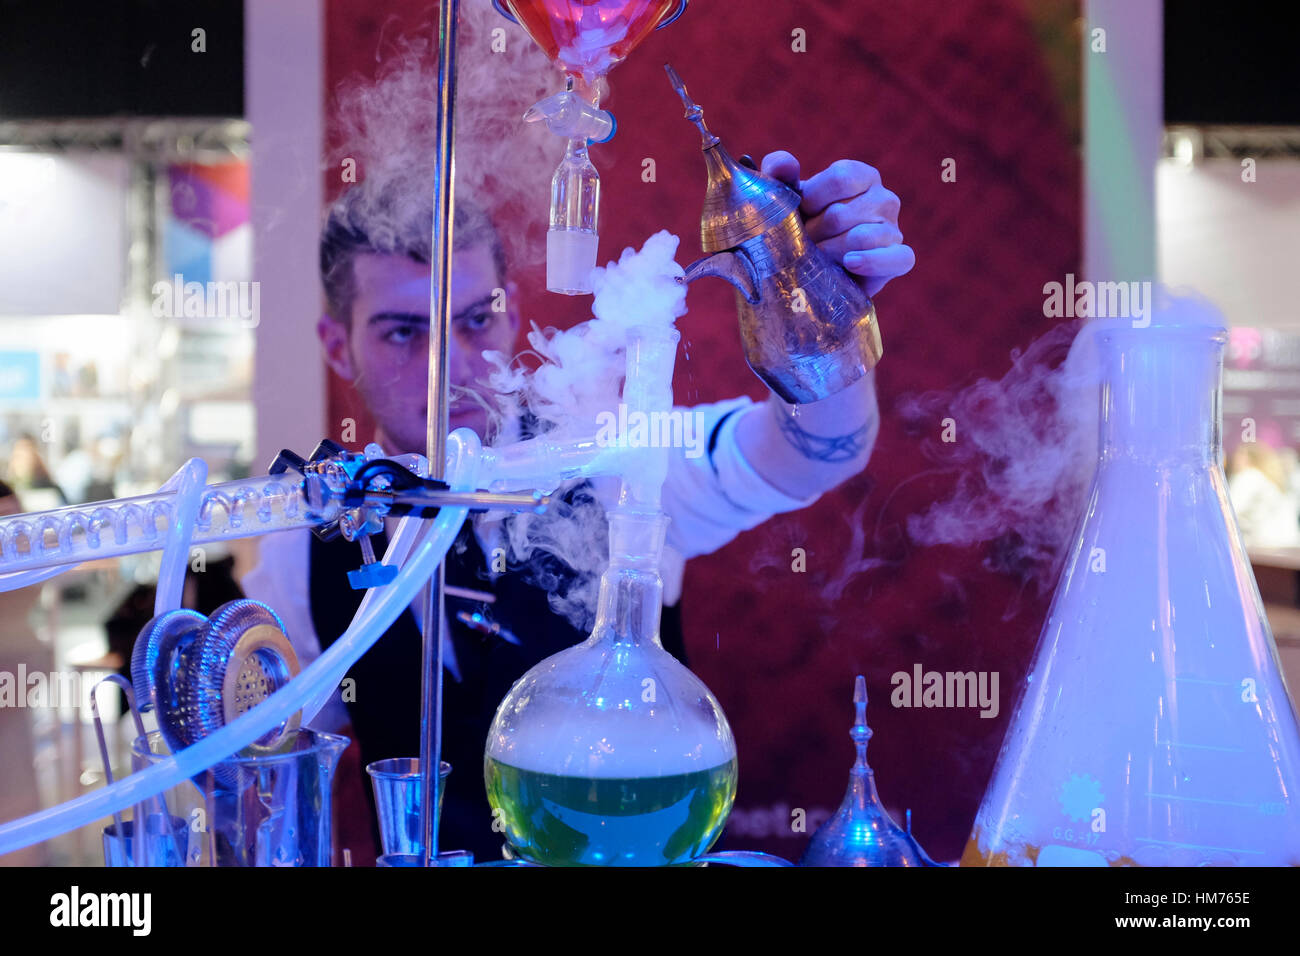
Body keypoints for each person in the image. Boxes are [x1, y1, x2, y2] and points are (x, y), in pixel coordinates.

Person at [243, 140, 913, 861]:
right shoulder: (303, 545)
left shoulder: (613, 459)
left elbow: (814, 451)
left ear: (511, 311)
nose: (452, 367)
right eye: (405, 332)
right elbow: (269, 776)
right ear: (337, 348)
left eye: (475, 319)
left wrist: (814, 302)